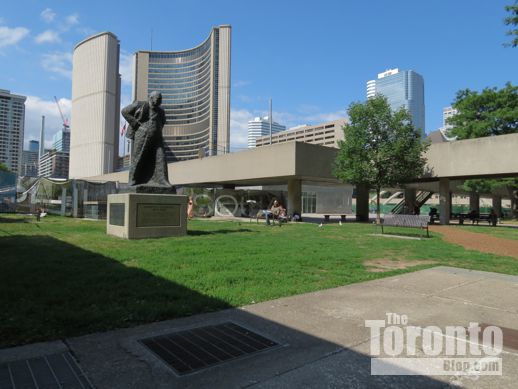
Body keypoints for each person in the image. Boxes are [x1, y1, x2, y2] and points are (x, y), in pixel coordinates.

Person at [122, 91, 172, 188]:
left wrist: (156, 131)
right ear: (151, 98)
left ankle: (163, 180)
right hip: (142, 134)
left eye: (160, 101)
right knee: (138, 156)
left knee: (161, 158)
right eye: (157, 100)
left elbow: (162, 122)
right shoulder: (139, 105)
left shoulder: (161, 111)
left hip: (157, 138)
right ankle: (132, 180)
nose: (158, 103)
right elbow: (124, 112)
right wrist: (136, 124)